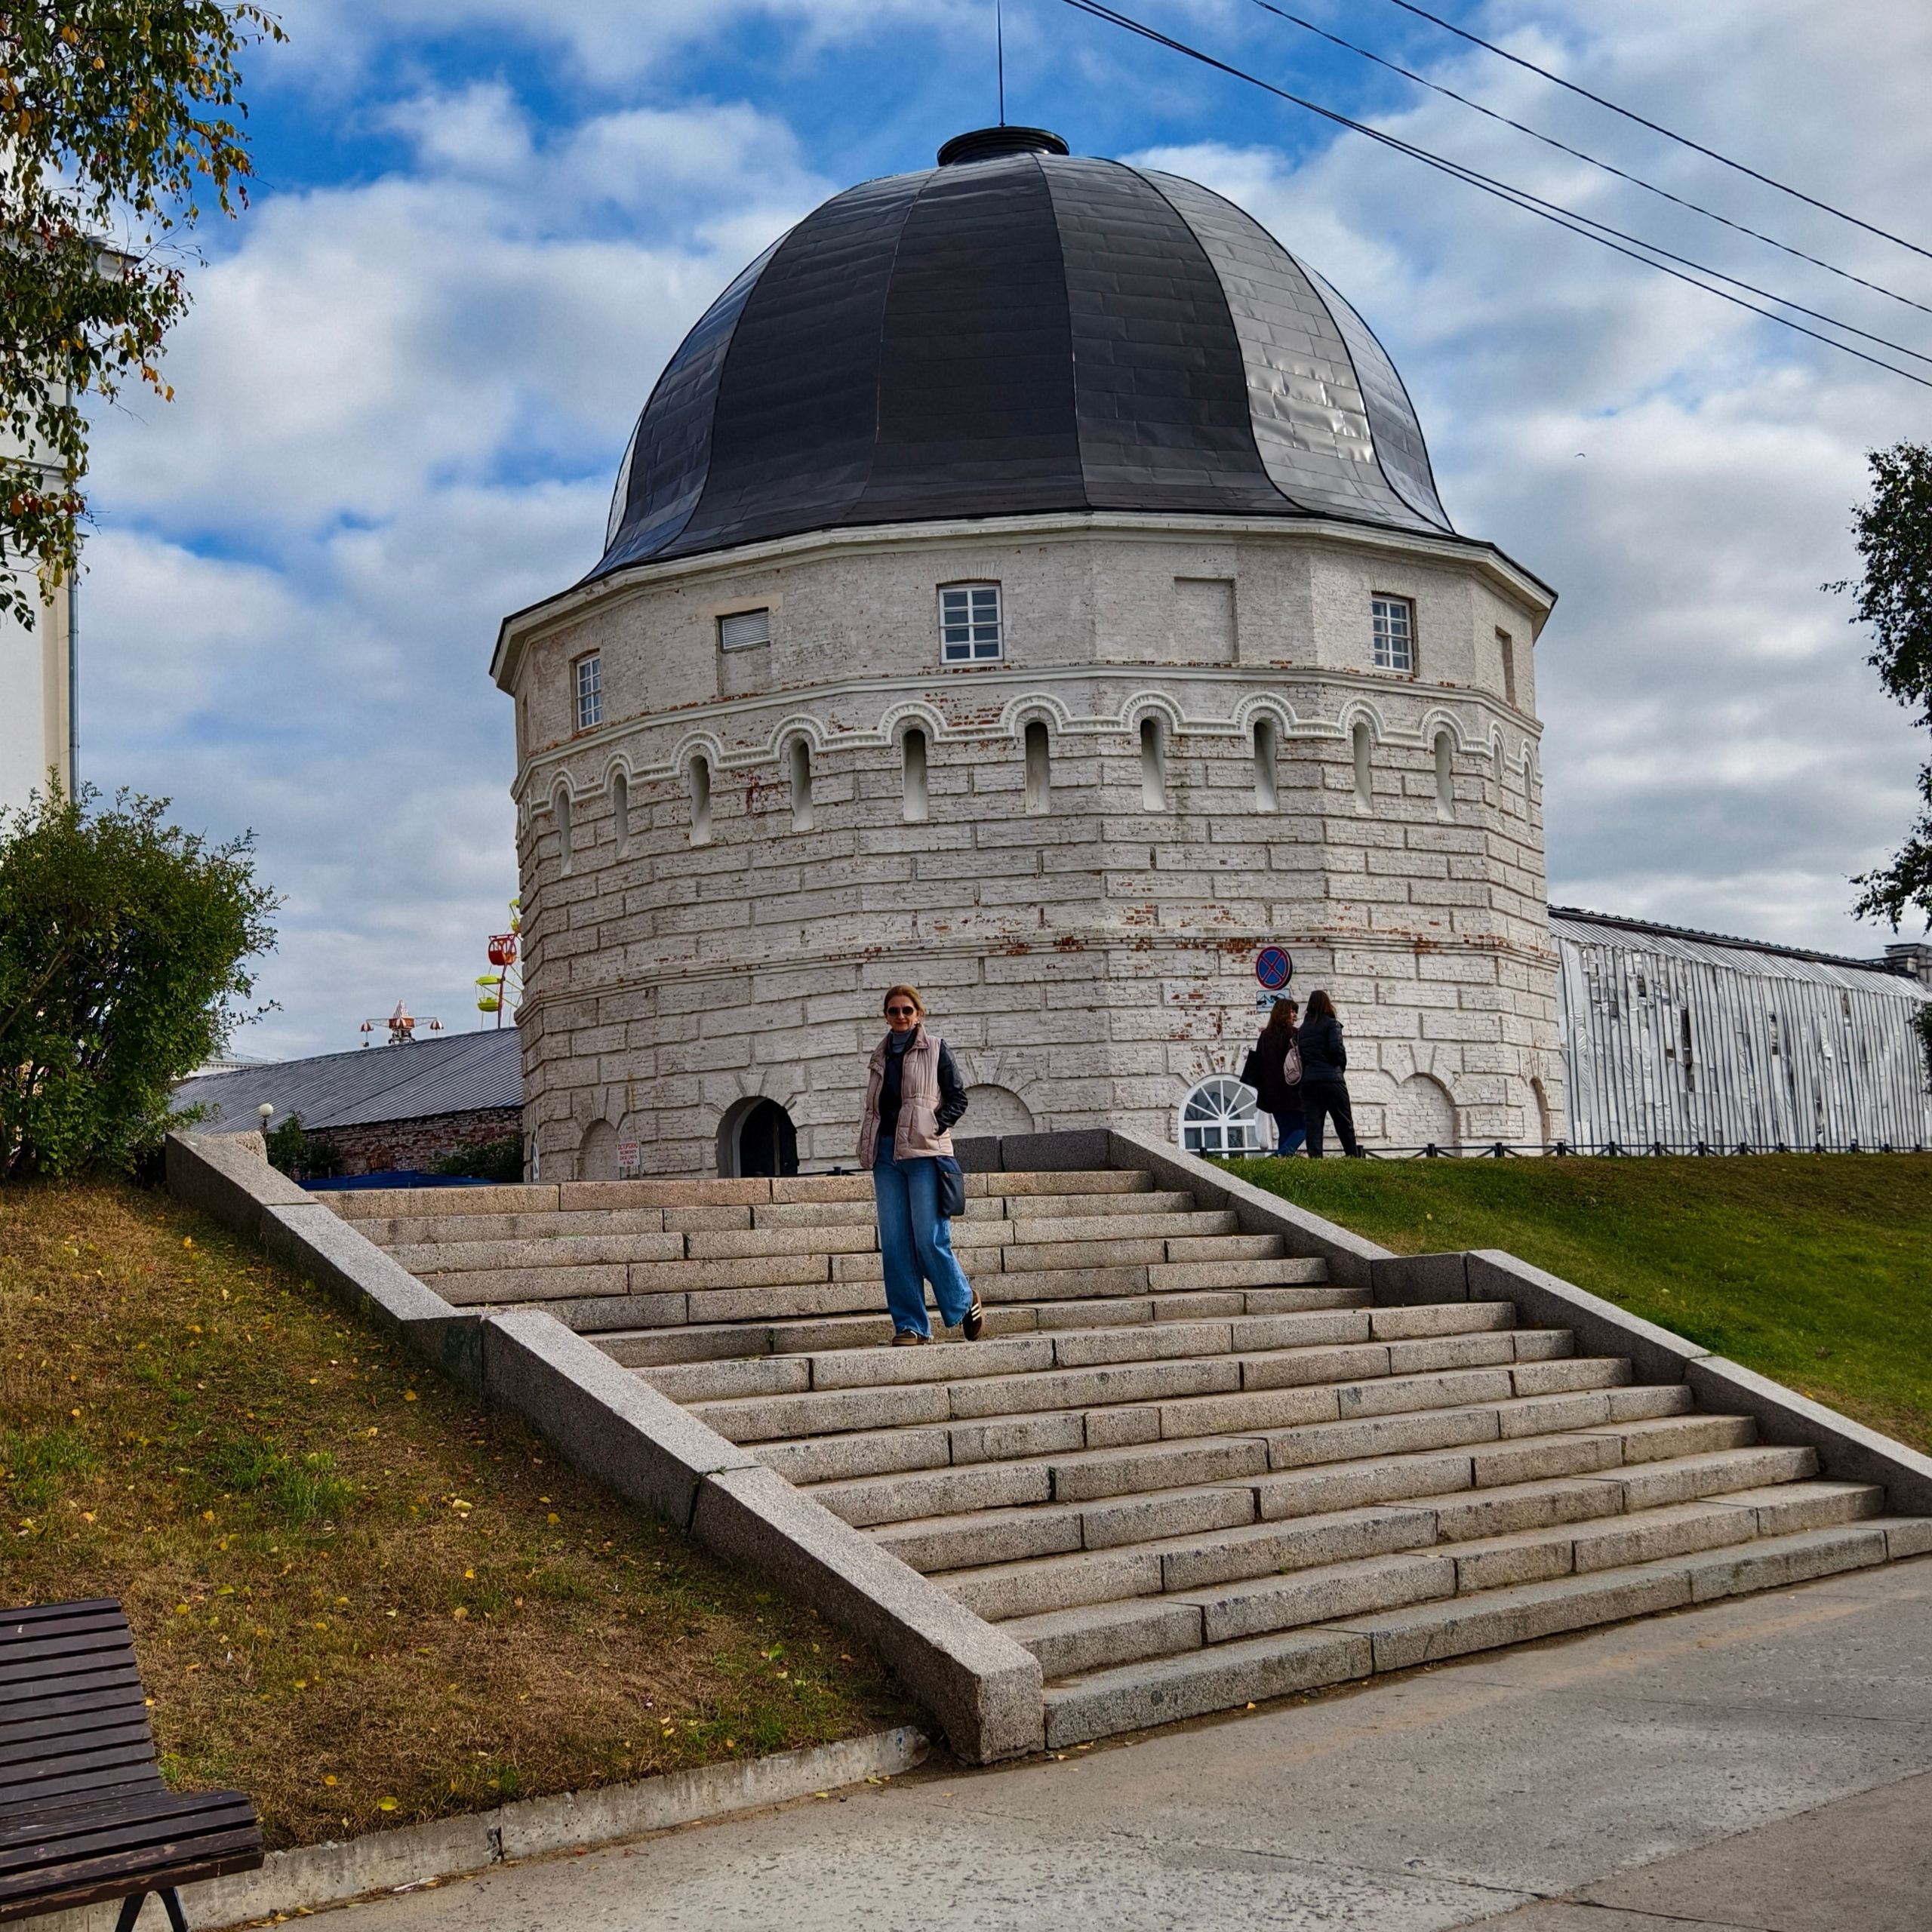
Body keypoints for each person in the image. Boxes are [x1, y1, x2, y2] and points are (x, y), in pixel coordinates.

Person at [857, 985, 984, 1345]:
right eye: (894, 1011)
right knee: (895, 1245)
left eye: (907, 1011)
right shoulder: (878, 1057)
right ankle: (911, 1326)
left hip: (926, 1155)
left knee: (929, 1239)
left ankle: (964, 1299)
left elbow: (958, 1098)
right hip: (886, 1157)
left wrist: (936, 1123)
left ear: (918, 1014)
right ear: (885, 1015)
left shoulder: (938, 1049)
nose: (901, 1017)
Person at [1297, 988, 1362, 1158]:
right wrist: (1340, 1067)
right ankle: (1352, 1155)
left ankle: (1315, 1158)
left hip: (1309, 1081)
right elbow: (1336, 1051)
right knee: (1343, 1121)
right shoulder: (1332, 1024)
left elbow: (1302, 1056)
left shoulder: (1302, 1029)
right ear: (1327, 1004)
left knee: (1314, 1123)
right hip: (1331, 1080)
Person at [1243, 996, 1306, 1156]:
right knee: (1304, 1127)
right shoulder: (1294, 1034)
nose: (1295, 1015)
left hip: (1272, 1093)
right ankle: (1281, 1155)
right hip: (1292, 1090)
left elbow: (1259, 1063)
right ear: (1284, 1013)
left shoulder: (1265, 1036)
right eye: (1292, 1011)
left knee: (1285, 1130)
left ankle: (1282, 1161)